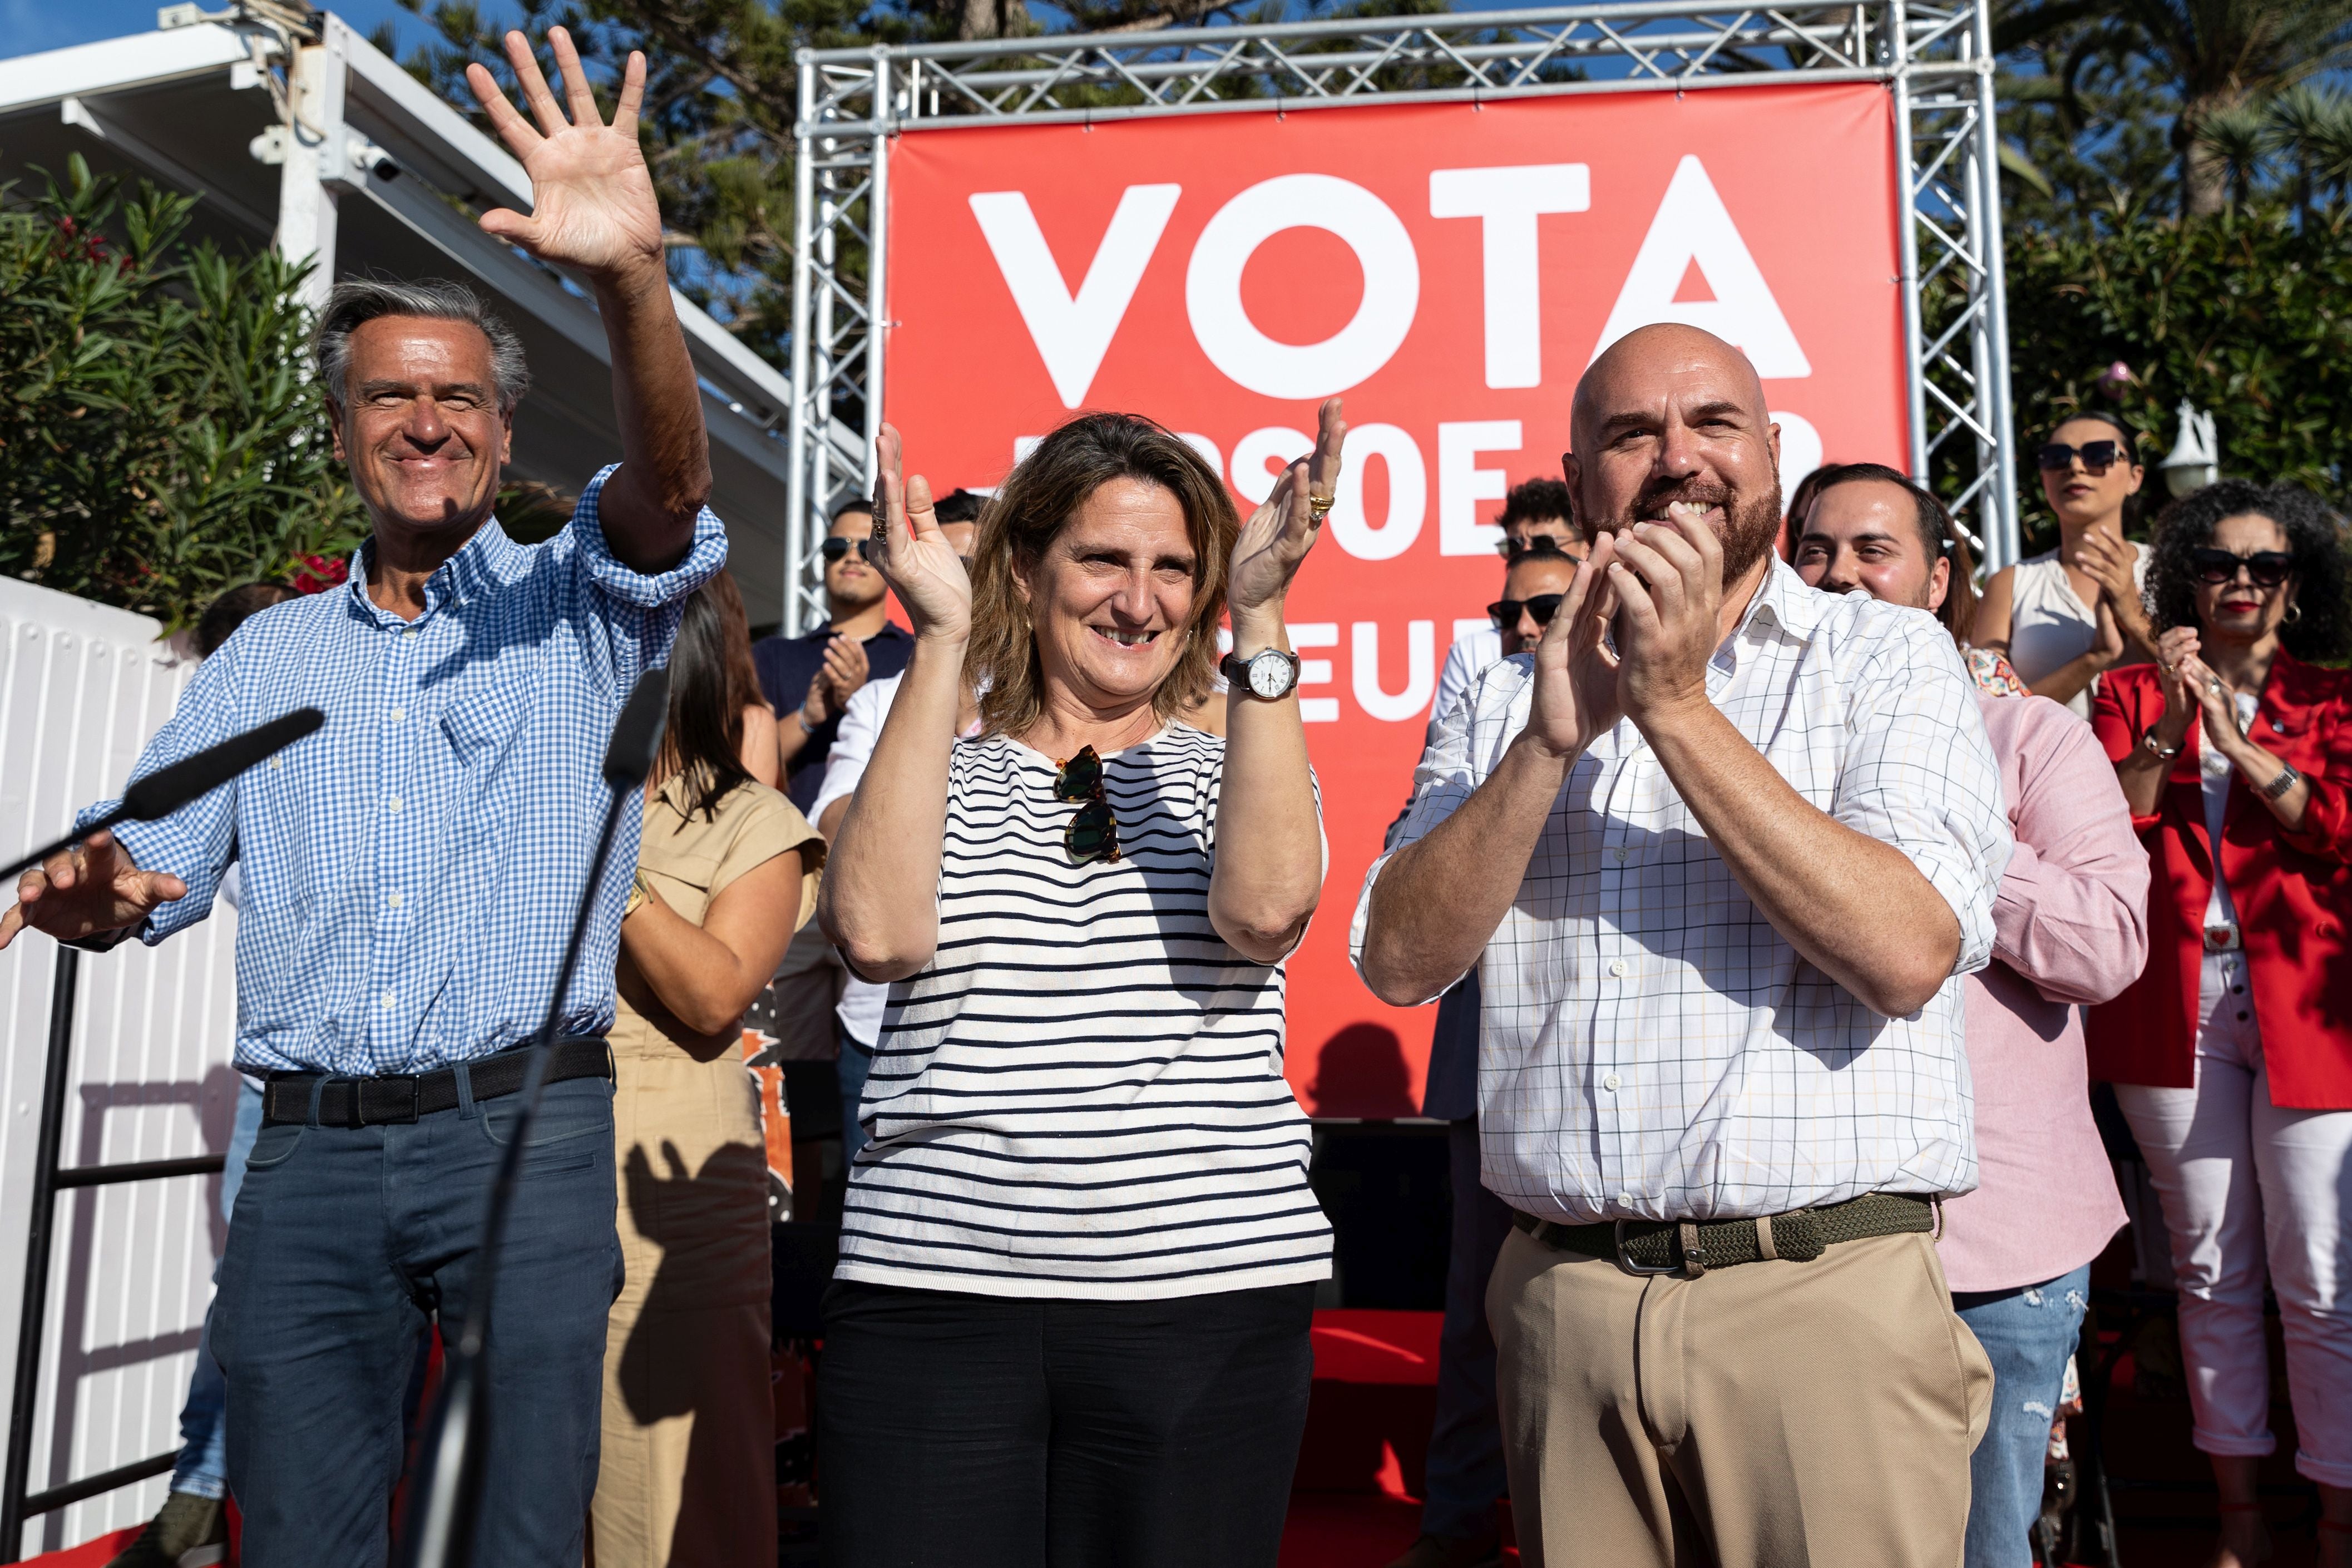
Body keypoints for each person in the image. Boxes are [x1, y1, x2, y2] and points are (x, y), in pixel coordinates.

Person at [0, 29, 727, 1567]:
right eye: (390, 397)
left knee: (512, 1534)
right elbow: (152, 859)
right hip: (304, 1158)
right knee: (300, 1539)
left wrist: (632, 280)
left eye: (459, 397)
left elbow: (671, 486)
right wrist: (99, 888)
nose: (426, 421)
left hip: (516, 1139)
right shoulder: (264, 655)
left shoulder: (575, 607)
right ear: (343, 432)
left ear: (506, 432)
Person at [1352, 322, 2012, 1568]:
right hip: (1561, 1307)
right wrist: (1548, 744)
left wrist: (1671, 705)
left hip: (1819, 1300)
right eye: (1628, 433)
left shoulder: (1885, 654)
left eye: (1710, 423)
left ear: (1770, 451)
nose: (1674, 458)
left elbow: (1906, 948)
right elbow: (1396, 957)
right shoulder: (1502, 693)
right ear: (1577, 474)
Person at [813, 402, 1345, 1566]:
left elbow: (1262, 914)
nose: (1137, 599)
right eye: (1103, 557)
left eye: (1171, 568)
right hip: (931, 1296)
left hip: (1199, 1304)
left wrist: (1259, 611)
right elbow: (876, 932)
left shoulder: (1241, 761)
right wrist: (942, 637)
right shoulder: (932, 761)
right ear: (1025, 566)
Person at [1793, 464, 2145, 1568]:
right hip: (1807, 1243)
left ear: (1939, 579)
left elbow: (2102, 946)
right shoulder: (1755, 762)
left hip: (1997, 1245)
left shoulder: (2028, 742)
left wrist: (1949, 831)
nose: (1838, 575)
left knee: (1984, 1547)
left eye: (1870, 548)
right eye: (1811, 551)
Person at [2089, 479, 2352, 1568]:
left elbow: (2326, 825)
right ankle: (2237, 1508)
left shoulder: (2331, 699)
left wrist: (2239, 739)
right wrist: (2176, 712)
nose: (2240, 582)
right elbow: (2110, 813)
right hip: (2171, 1004)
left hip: (2302, 1006)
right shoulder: (2125, 690)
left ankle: (2335, 1514)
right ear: (2183, 573)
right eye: (2218, 563)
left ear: (2296, 585)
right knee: (2205, 1267)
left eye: (2265, 566)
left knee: (2321, 1274)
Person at [594, 571, 823, 1568]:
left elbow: (714, 994)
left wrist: (608, 863)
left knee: (679, 1495)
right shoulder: (537, 794)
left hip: (672, 1170)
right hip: (523, 1163)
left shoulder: (749, 819)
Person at [1389, 537, 1582, 1568]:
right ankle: (1456, 1524)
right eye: (1504, 610)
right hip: (1488, 1056)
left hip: (1611, 1058)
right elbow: (1408, 852)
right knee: (1474, 1317)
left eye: (1541, 606)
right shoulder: (1477, 699)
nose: (1517, 629)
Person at [105, 582, 298, 1568]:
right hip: (285, 1067)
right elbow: (162, 856)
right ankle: (201, 1495)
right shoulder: (229, 749)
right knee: (251, 1288)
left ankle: (211, 1497)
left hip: (438, 1065)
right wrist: (109, 883)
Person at [808, 502, 982, 1165]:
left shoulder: (1045, 700)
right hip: (878, 1021)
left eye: (970, 564)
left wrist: (899, 820)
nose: (955, 579)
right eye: (940, 562)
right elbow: (831, 820)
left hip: (993, 1020)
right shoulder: (881, 697)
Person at [1975, 412, 2157, 718]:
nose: (2075, 467)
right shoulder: (2010, 584)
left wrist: (2133, 613)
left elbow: (2216, 682)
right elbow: (1988, 715)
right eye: (2056, 458)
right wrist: (2094, 659)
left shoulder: (2171, 569)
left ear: (2135, 477)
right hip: (2048, 765)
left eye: (2099, 455)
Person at [754, 501, 914, 813]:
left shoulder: (918, 656)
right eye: (836, 547)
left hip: (881, 846)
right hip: (786, 850)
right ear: (823, 560)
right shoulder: (773, 656)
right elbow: (736, 765)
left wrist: (862, 702)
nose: (852, 557)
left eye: (867, 548)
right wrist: (807, 716)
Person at [1431, 479, 1584, 738]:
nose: (1524, 554)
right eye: (1513, 546)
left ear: (1587, 545)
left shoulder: (1623, 636)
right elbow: (1445, 757)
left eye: (1543, 544)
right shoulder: (1472, 651)